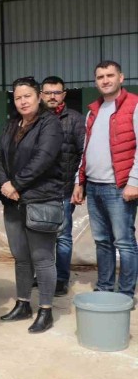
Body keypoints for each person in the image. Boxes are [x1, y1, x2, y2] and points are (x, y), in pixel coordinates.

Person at [0, 77, 64, 333]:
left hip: (41, 200)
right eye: (18, 97)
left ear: (38, 97)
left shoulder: (51, 124)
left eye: (27, 96)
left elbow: (42, 159)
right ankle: (23, 303)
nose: (22, 101)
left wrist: (16, 184)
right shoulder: (13, 124)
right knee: (21, 258)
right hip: (14, 201)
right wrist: (4, 183)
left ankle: (45, 310)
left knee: (43, 258)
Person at [73, 60, 138, 298]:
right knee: (102, 241)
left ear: (121, 77)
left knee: (124, 242)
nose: (105, 80)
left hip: (118, 187)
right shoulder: (94, 110)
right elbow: (85, 149)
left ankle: (126, 293)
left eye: (110, 75)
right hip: (95, 186)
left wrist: (135, 181)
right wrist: (79, 182)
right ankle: (105, 288)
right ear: (96, 81)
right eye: (100, 77)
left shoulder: (134, 105)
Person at [40, 76, 85, 297]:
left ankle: (60, 279)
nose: (52, 96)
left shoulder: (75, 120)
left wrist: (79, 183)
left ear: (64, 95)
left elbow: (83, 153)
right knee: (40, 234)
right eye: (48, 92)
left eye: (56, 92)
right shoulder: (34, 118)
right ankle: (43, 275)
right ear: (41, 95)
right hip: (38, 190)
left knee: (63, 236)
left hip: (64, 189)